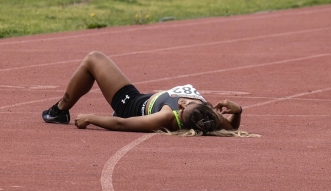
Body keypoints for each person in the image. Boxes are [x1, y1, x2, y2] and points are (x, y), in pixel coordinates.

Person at [42, 51, 254, 137]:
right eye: (187, 102)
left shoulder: (166, 116)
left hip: (129, 105)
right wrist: (238, 111)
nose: (183, 102)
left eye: (181, 106)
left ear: (179, 113)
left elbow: (122, 125)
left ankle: (59, 111)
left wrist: (90, 118)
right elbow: (231, 129)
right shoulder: (206, 116)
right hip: (145, 97)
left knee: (94, 59)